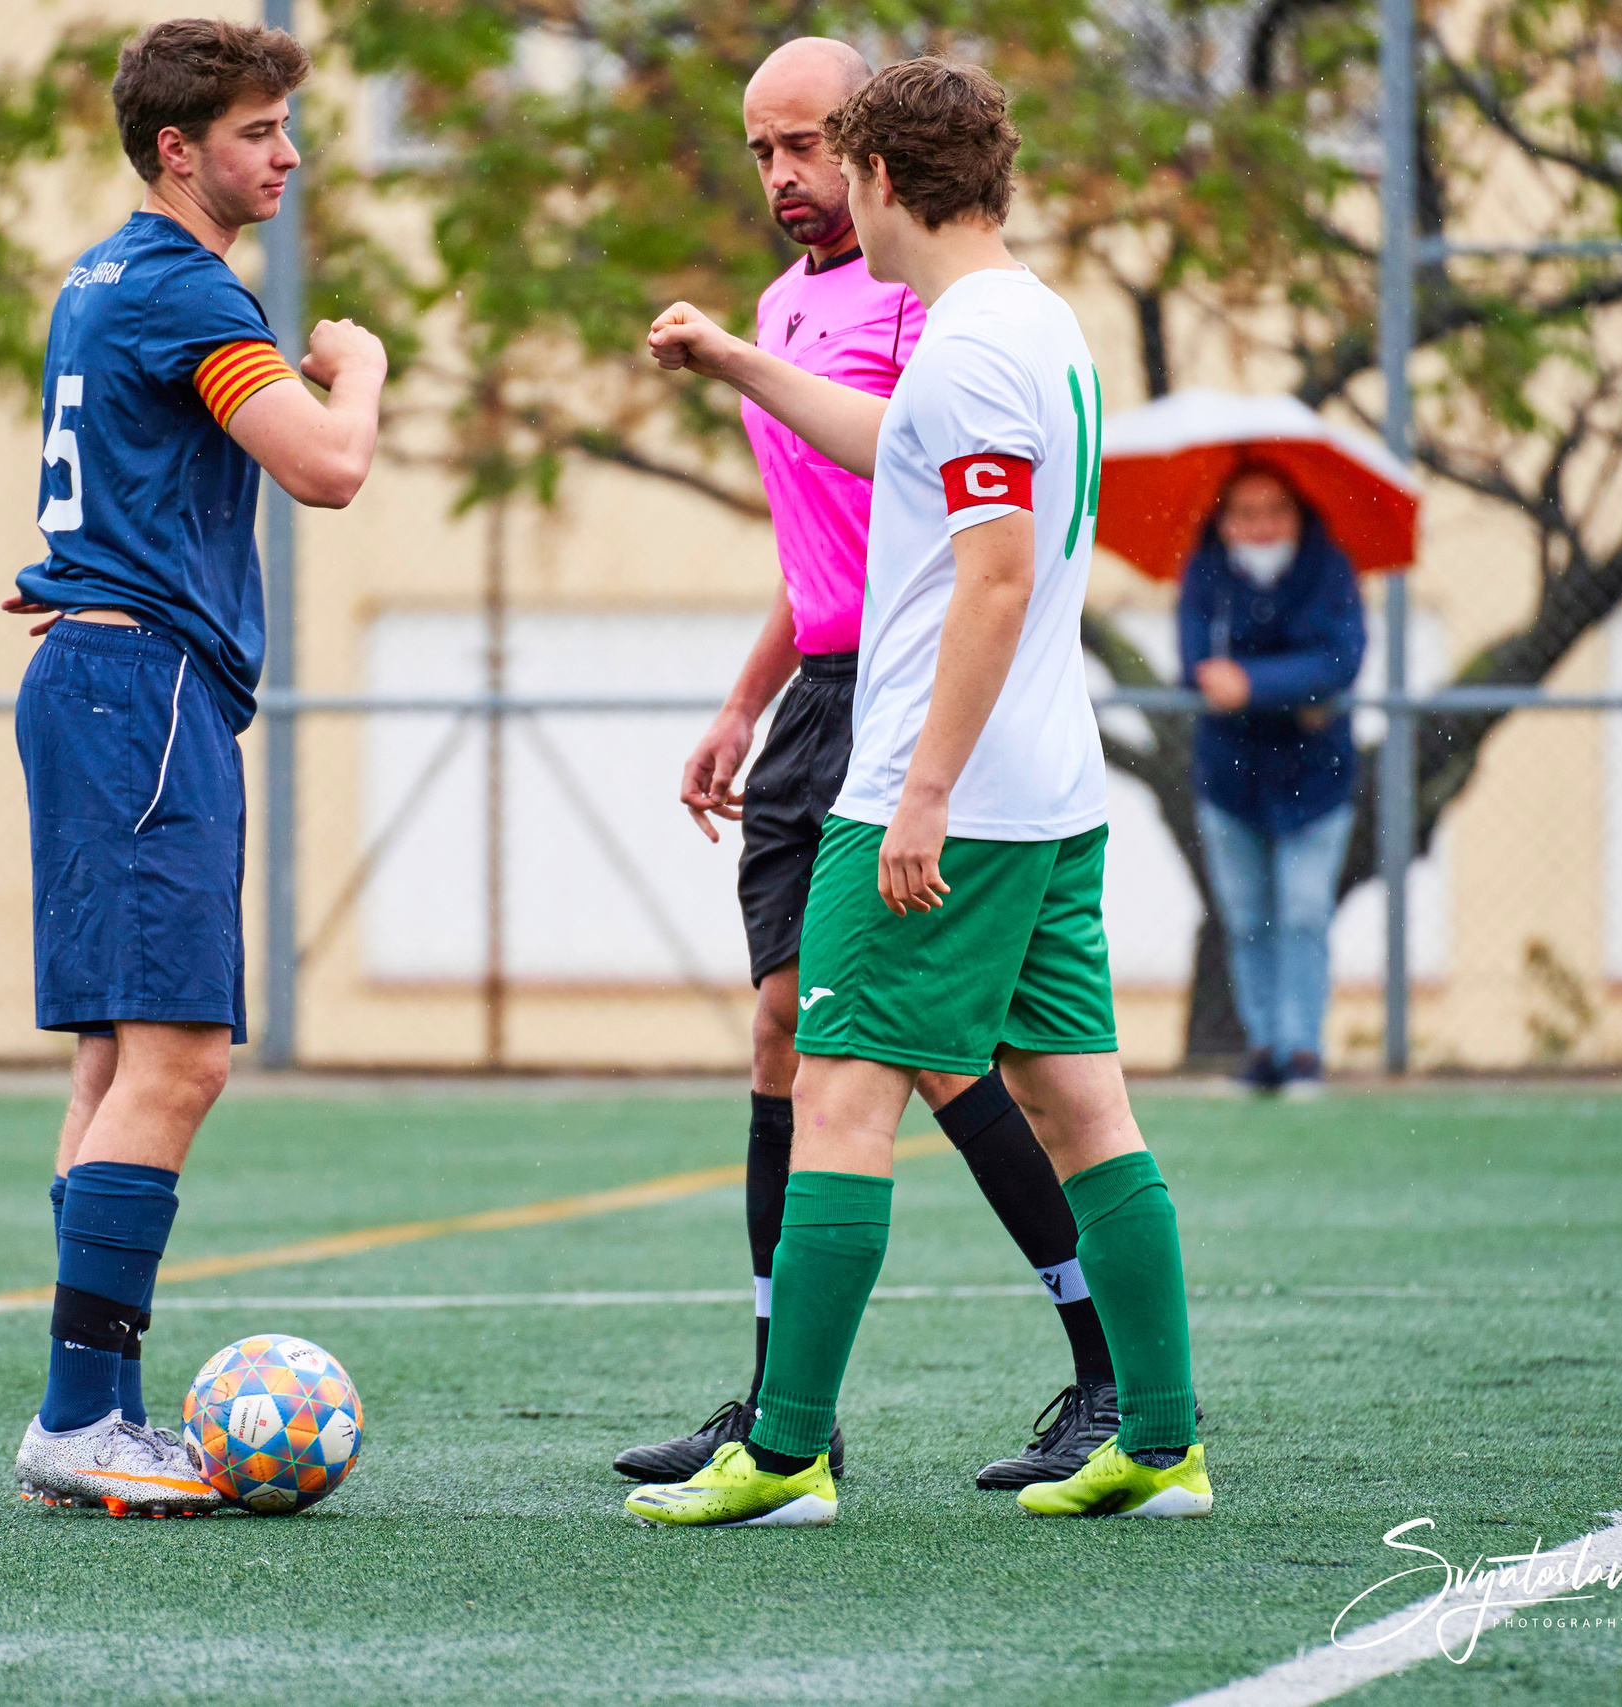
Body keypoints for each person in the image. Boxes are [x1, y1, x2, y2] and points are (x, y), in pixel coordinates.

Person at [630, 56, 1208, 1527]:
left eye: (831, 165)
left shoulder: (964, 345)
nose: (815, 197)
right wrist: (743, 361)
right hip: (1051, 787)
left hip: (942, 788)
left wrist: (923, 791)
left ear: (886, 179)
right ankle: (1160, 1438)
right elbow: (899, 454)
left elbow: (996, 577)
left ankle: (788, 1450)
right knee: (1081, 1105)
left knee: (835, 1099)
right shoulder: (1032, 324)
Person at [1, 16, 387, 1517]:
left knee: (114, 1059)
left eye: (286, 130)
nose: (285, 156)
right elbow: (325, 467)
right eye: (256, 133)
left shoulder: (98, 273)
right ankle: (80, 1413)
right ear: (179, 149)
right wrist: (355, 371)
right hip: (141, 692)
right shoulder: (178, 285)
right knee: (181, 1054)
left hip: (99, 674)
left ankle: (96, 1408)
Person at [1179, 467, 1367, 1098]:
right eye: (1246, 511)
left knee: (1305, 913)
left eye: (1275, 509)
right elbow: (1196, 668)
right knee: (1247, 917)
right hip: (1229, 782)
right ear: (1224, 520)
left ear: (1299, 514)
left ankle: (1302, 1051)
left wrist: (1253, 686)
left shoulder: (1331, 570)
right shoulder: (1205, 575)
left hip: (1316, 784)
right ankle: (1263, 1047)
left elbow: (1339, 663)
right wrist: (1297, 688)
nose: (1261, 525)